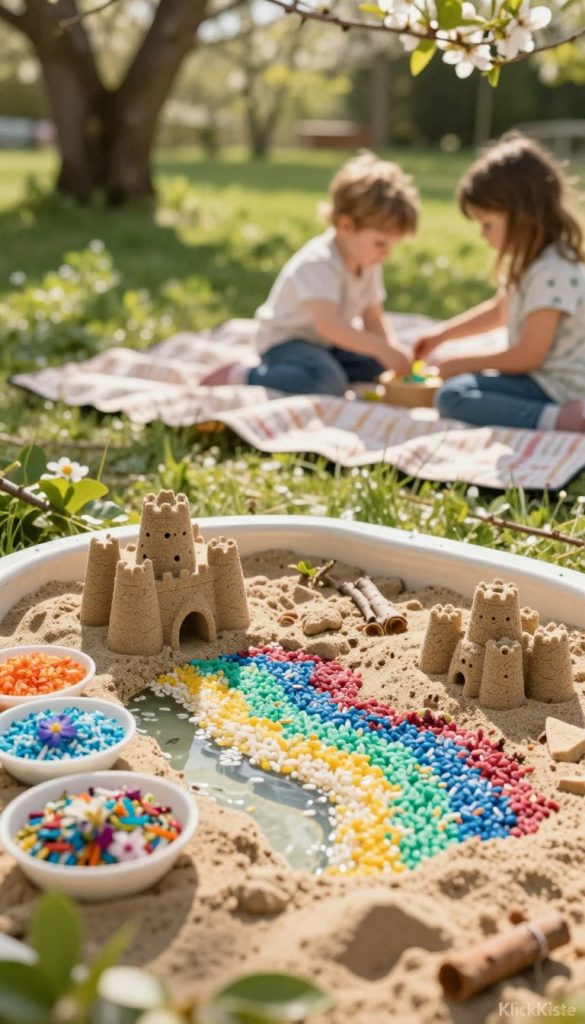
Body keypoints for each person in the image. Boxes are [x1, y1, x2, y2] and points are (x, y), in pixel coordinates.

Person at [202, 152, 418, 395]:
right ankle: (244, 374)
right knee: (326, 382)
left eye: (391, 245)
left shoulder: (367, 261)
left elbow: (372, 316)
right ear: (346, 226)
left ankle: (322, 368)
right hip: (287, 342)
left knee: (378, 367)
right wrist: (379, 348)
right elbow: (329, 326)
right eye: (380, 244)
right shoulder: (320, 261)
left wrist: (390, 349)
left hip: (327, 345)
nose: (386, 254)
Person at [414, 133, 585, 432]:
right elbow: (499, 312)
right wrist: (441, 336)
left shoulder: (552, 270)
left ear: (522, 215)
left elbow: (528, 356)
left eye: (487, 224)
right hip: (542, 379)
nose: (482, 235)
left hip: (561, 388)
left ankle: (561, 420)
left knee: (454, 396)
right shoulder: (535, 261)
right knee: (458, 386)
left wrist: (460, 362)